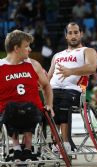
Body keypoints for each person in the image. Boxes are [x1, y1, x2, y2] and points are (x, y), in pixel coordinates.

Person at [0, 30, 54, 160]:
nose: (29, 49)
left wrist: (49, 105)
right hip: (8, 113)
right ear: (16, 48)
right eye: (26, 46)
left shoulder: (34, 65)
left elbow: (46, 86)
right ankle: (17, 147)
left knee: (30, 108)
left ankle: (28, 147)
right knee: (11, 108)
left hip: (32, 111)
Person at [48, 22, 97, 152]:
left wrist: (71, 71)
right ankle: (52, 144)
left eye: (76, 32)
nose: (73, 35)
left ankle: (65, 144)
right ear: (66, 36)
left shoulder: (87, 51)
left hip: (74, 90)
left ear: (81, 34)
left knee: (62, 104)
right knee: (46, 108)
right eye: (70, 33)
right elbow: (48, 77)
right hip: (53, 89)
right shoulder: (57, 55)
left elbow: (92, 68)